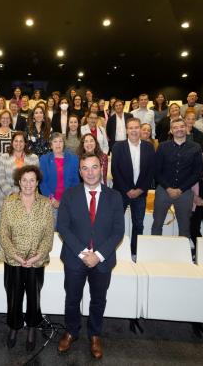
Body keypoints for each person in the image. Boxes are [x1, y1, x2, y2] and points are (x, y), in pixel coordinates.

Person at [57, 153, 124, 359]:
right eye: (85, 168)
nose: (90, 172)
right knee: (72, 298)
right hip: (75, 258)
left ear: (101, 169)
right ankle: (71, 331)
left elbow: (118, 231)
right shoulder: (69, 195)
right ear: (80, 171)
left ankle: (95, 335)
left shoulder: (114, 196)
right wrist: (83, 253)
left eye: (94, 167)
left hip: (102, 262)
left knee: (98, 300)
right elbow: (63, 227)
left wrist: (99, 255)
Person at [0, 165, 53, 351]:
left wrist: (38, 255)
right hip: (13, 259)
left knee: (33, 295)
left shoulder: (45, 203)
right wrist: (15, 254)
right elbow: (3, 233)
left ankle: (31, 327)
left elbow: (48, 234)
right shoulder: (9, 202)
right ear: (18, 182)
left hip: (36, 260)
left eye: (32, 180)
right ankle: (14, 326)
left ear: (37, 182)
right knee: (13, 296)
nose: (28, 184)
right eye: (24, 180)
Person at [111, 118, 155, 258]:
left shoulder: (149, 147)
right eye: (131, 128)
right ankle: (115, 251)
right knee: (116, 224)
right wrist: (127, 190)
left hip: (140, 193)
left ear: (140, 129)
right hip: (122, 192)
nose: (134, 130)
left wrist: (141, 189)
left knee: (138, 224)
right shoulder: (118, 147)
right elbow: (115, 170)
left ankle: (135, 252)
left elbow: (150, 171)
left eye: (137, 127)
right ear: (126, 130)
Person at [151, 118, 203, 238]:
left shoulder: (196, 147)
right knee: (157, 224)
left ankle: (182, 255)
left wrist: (181, 189)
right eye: (175, 127)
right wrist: (168, 188)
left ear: (186, 128)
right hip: (163, 191)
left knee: (184, 227)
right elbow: (156, 171)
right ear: (171, 130)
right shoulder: (163, 146)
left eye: (181, 126)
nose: (179, 129)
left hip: (185, 193)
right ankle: (154, 252)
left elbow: (196, 173)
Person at [39, 132, 80, 224]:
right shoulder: (44, 159)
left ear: (64, 144)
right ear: (51, 145)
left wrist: (65, 200)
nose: (58, 144)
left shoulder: (73, 159)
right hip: (50, 202)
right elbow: (42, 182)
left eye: (60, 141)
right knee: (51, 230)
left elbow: (75, 181)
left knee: (66, 228)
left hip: (68, 201)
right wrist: (52, 199)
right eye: (55, 141)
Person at [0, 132, 39, 209]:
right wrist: (12, 195)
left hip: (29, 199)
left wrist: (25, 195)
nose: (18, 143)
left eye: (21, 141)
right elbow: (1, 179)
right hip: (8, 198)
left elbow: (36, 179)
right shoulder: (4, 157)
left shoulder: (34, 158)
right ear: (12, 142)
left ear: (25, 143)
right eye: (16, 141)